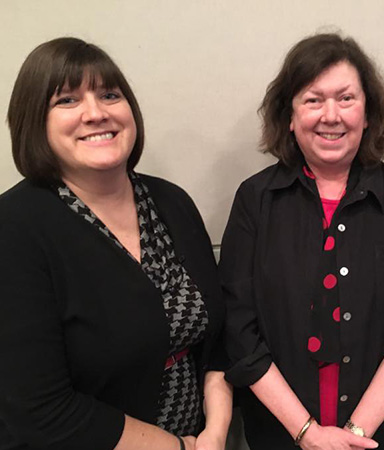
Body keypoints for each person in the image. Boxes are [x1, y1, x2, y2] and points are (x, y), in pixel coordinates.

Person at [0, 37, 232, 450]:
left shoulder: (171, 202)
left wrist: (214, 432)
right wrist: (177, 448)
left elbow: (215, 340)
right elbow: (40, 411)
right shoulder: (15, 228)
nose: (96, 113)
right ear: (34, 121)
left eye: (109, 94)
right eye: (67, 100)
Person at [219, 33, 384, 450]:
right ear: (289, 116)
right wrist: (306, 433)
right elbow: (239, 330)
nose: (330, 115)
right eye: (312, 99)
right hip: (279, 434)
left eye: (346, 98)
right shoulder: (255, 200)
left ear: (368, 113)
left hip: (376, 437)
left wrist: (355, 435)